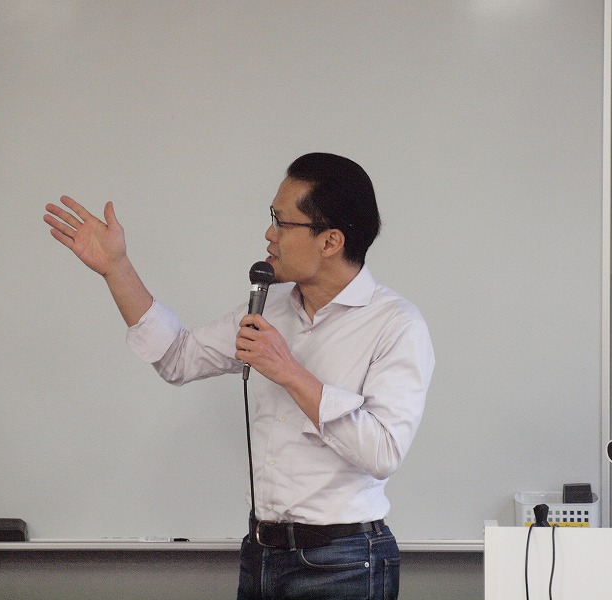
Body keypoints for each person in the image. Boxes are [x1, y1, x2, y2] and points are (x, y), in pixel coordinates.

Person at [43, 152, 434, 600]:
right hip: (262, 555)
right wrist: (117, 268)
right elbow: (177, 357)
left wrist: (289, 371)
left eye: (282, 222)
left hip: (344, 563)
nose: (269, 234)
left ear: (330, 241)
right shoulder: (270, 306)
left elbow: (383, 451)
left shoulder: (396, 324)